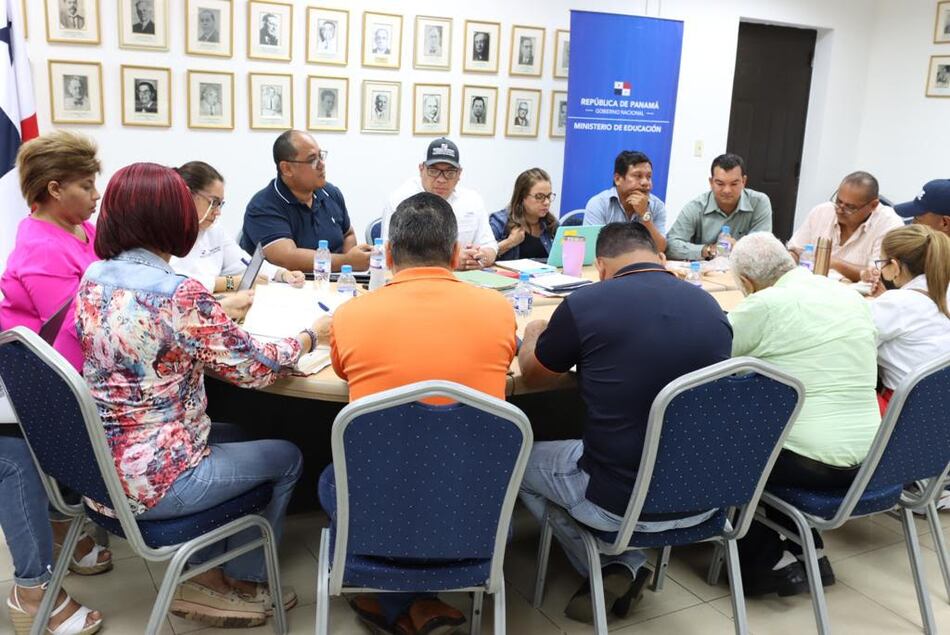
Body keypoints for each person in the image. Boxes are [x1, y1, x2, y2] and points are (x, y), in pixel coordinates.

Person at [77, 162, 319, 628]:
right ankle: (235, 581)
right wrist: (310, 337)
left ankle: (211, 572)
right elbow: (254, 368)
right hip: (157, 478)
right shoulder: (178, 293)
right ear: (173, 219)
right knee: (287, 456)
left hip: (101, 467)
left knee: (244, 433)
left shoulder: (95, 276)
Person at [321, 191, 517, 635]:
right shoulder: (500, 311)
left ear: (388, 255)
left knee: (332, 480)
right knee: (443, 471)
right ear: (453, 254)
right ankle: (416, 603)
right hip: (476, 507)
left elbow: (340, 370)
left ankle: (392, 601)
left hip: (379, 512)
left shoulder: (351, 314)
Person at [517, 222, 732, 623]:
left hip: (620, 500)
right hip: (705, 493)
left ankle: (616, 563)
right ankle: (623, 563)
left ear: (600, 266)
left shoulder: (588, 304)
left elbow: (533, 374)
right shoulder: (710, 308)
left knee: (521, 461)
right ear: (659, 257)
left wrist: (533, 331)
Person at [727, 232, 880, 596]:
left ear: (747, 283)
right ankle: (808, 549)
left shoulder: (763, 305)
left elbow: (711, 361)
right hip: (875, 458)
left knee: (730, 442)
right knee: (788, 431)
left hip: (812, 463)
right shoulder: (847, 295)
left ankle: (763, 564)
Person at [0, 130, 108, 635]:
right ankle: (31, 587)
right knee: (14, 460)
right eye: (87, 186)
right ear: (53, 187)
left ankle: (64, 527)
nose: (96, 193)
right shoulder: (40, 249)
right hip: (23, 384)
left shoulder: (80, 230)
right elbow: (73, 336)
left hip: (44, 378)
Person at [169, 161, 305, 321]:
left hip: (214, 306)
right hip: (187, 314)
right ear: (188, 195)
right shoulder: (169, 232)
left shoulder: (213, 229)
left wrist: (282, 274)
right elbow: (177, 283)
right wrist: (230, 282)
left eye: (221, 204)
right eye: (213, 203)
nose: (218, 212)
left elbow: (243, 262)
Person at [240, 130, 371, 272]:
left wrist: (346, 271)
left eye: (321, 156)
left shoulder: (331, 193)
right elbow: (288, 259)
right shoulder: (263, 206)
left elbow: (348, 234)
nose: (321, 164)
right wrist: (347, 262)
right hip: (287, 287)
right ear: (287, 168)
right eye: (312, 160)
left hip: (335, 284)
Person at [380, 137, 497, 270]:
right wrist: (450, 261)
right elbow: (387, 254)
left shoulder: (472, 200)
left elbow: (490, 245)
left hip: (466, 281)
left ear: (459, 174)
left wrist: (481, 258)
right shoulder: (401, 200)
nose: (441, 179)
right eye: (434, 171)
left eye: (449, 172)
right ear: (421, 169)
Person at [869, 225, 950, 413]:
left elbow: (852, 338)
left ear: (895, 266)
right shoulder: (942, 292)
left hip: (903, 412)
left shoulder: (898, 303)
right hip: (939, 415)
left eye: (881, 262)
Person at [787, 171, 903, 281]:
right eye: (838, 201)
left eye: (850, 207)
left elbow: (878, 275)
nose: (840, 210)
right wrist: (789, 260)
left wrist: (834, 263)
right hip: (809, 286)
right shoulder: (822, 211)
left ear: (873, 205)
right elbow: (795, 250)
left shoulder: (888, 224)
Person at [666, 153, 772, 261]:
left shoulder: (759, 202)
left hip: (744, 272)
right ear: (711, 182)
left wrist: (738, 247)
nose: (727, 190)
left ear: (743, 181)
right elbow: (670, 246)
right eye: (720, 184)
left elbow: (763, 248)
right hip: (705, 273)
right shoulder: (696, 207)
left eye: (734, 184)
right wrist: (708, 250)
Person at [583, 150, 668, 252]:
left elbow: (660, 248)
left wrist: (645, 215)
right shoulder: (598, 204)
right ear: (618, 179)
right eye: (638, 176)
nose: (646, 182)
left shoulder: (657, 206)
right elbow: (593, 248)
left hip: (641, 266)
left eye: (649, 177)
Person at [490, 168, 559, 260]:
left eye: (549, 196)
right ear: (522, 197)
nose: (546, 202)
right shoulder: (500, 221)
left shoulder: (551, 224)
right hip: (509, 274)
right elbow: (482, 257)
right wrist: (509, 242)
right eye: (539, 196)